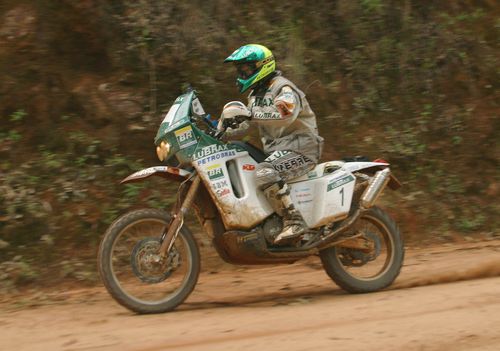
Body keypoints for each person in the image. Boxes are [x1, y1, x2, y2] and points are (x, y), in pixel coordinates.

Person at [221, 44, 323, 244]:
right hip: (278, 151)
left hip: (301, 148)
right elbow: (249, 124)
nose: (242, 73)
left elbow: (285, 114)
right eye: (240, 69)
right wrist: (222, 130)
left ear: (263, 66)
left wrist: (250, 114)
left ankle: (294, 221)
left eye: (247, 69)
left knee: (264, 172)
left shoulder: (282, 87)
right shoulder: (255, 96)